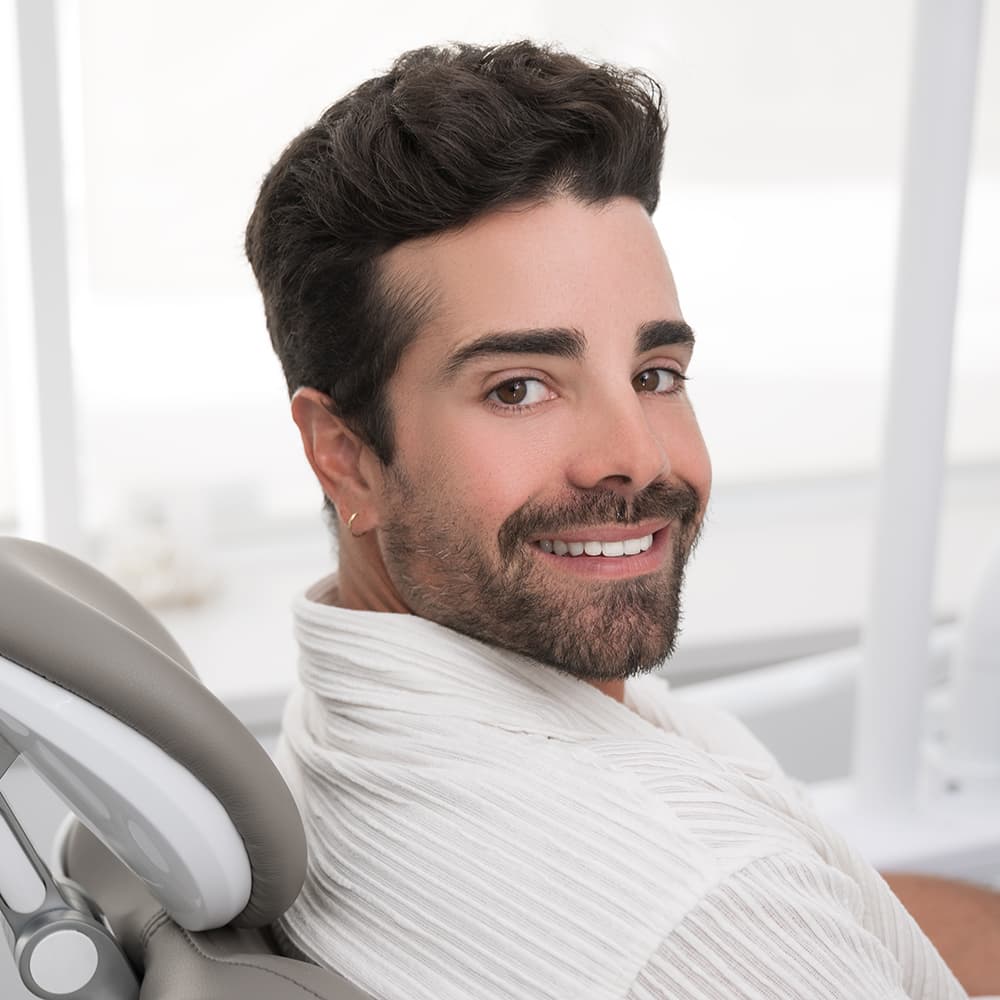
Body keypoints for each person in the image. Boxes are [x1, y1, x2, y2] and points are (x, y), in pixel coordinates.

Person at [244, 40, 997, 999]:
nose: (636, 455)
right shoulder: (704, 911)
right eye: (519, 388)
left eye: (655, 376)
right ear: (343, 451)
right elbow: (720, 918)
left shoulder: (348, 711)